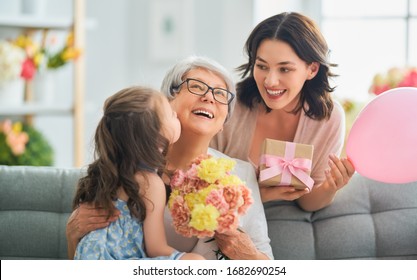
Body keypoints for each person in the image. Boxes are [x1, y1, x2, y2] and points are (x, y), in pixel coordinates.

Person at [66, 56, 273, 260]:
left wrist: (248, 255)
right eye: (197, 86)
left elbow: (269, 266)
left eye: (220, 94)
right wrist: (72, 236)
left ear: (223, 123)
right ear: (166, 103)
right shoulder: (123, 168)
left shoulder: (242, 174)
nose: (209, 97)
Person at [210, 12, 355, 212]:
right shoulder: (227, 105)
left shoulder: (328, 118)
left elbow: (308, 202)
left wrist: (330, 187)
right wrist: (258, 194)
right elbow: (200, 185)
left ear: (312, 69)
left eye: (284, 69)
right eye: (262, 66)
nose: (270, 81)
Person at [71, 86, 204, 260]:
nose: (176, 115)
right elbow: (155, 248)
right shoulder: (149, 182)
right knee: (196, 262)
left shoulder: (105, 174)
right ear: (154, 133)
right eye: (171, 114)